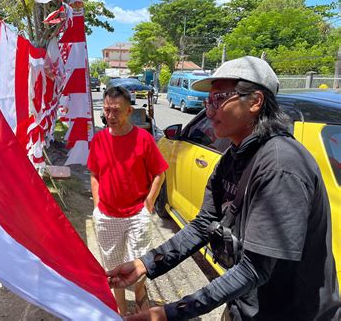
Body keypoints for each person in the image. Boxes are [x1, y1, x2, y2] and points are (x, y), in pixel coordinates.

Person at [107, 56, 341, 320]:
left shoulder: (280, 167)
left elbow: (255, 269)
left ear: (254, 102)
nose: (209, 112)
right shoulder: (234, 156)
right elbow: (203, 224)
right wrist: (146, 264)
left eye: (219, 99)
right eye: (209, 101)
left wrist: (168, 314)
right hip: (244, 305)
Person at [87, 85, 168, 315]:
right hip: (107, 216)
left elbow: (159, 174)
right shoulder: (99, 140)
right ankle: (121, 312)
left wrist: (149, 204)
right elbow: (94, 175)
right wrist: (96, 207)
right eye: (106, 110)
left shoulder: (144, 139)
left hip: (136, 216)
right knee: (113, 270)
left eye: (116, 111)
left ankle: (143, 308)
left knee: (139, 269)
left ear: (129, 111)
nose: (110, 116)